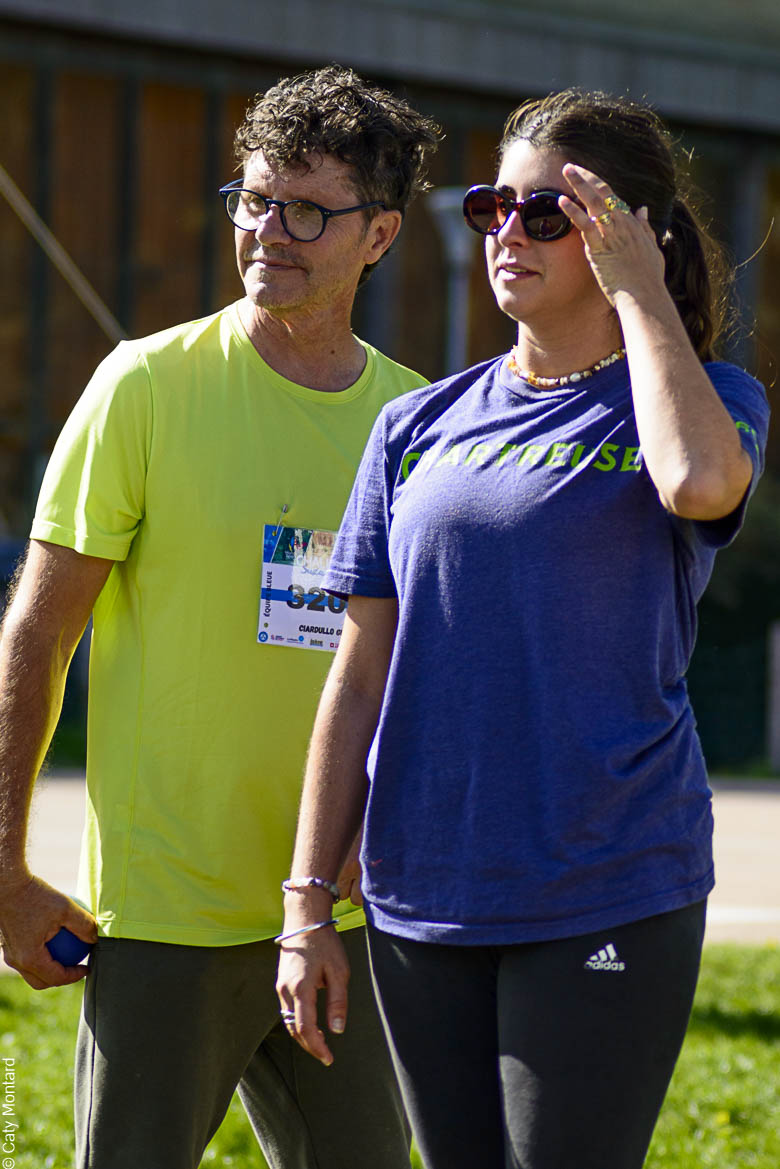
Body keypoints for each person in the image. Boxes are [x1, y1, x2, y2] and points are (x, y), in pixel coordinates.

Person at [276, 88, 770, 1169]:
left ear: (629, 232)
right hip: (424, 888)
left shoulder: (708, 398)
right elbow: (358, 674)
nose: (508, 232)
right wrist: (307, 900)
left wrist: (642, 296)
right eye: (493, 206)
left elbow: (698, 484)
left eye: (547, 213)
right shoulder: (414, 426)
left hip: (607, 876)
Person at [0, 65, 440, 1169]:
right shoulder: (144, 385)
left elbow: (426, 671)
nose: (267, 231)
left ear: (380, 235)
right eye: (253, 199)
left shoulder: (416, 420)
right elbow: (38, 637)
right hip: (166, 917)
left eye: (307, 211)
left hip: (339, 915)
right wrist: (3, 872)